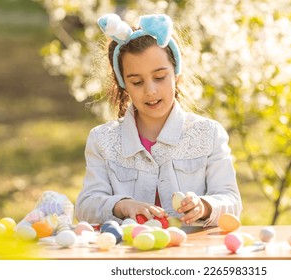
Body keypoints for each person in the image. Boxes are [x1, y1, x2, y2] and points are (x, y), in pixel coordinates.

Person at [75, 13, 242, 227]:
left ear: (176, 74)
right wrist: (123, 205)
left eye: (160, 77)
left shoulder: (209, 134)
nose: (150, 91)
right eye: (137, 82)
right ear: (123, 83)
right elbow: (86, 206)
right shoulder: (102, 139)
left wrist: (204, 206)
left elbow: (231, 201)